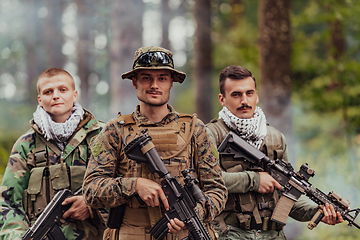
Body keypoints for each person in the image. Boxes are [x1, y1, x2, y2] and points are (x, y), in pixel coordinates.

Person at [82, 46, 228, 240]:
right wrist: (134, 185)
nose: (154, 85)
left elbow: (217, 190)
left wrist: (194, 214)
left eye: (162, 78)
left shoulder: (195, 129)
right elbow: (91, 190)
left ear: (171, 83)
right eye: (146, 78)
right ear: (134, 82)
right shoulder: (115, 130)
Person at [206, 65, 343, 239]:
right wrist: (254, 180)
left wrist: (317, 212)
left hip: (272, 235)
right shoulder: (210, 134)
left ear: (257, 96)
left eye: (249, 93)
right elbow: (205, 181)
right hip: (228, 234)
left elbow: (288, 199)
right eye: (236, 94)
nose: (244, 101)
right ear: (222, 99)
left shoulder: (275, 138)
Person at [0, 68, 106, 240]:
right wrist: (17, 237)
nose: (56, 95)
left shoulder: (103, 136)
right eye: (48, 92)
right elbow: (8, 202)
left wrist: (92, 205)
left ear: (74, 94)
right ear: (40, 100)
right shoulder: (26, 145)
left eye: (62, 90)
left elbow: (126, 185)